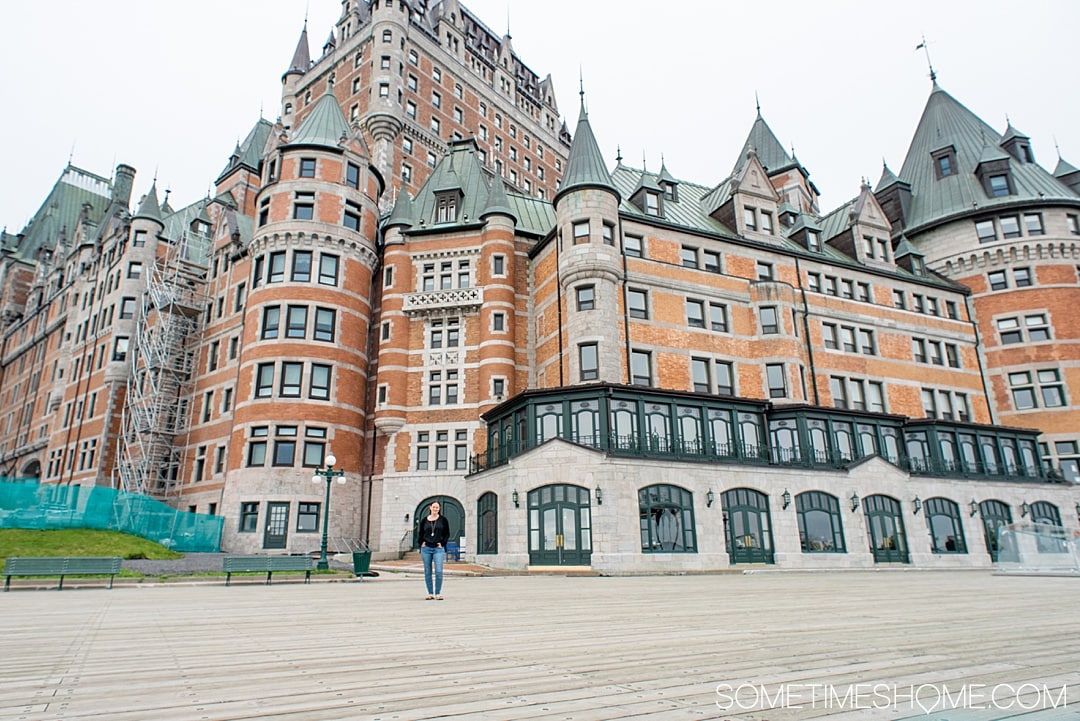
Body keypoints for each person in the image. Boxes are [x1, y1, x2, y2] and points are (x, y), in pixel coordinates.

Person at [419, 501, 450, 600]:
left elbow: (447, 533)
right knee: (427, 570)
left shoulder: (443, 520)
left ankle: (438, 592)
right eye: (434, 507)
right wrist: (421, 542)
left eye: (437, 507)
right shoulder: (424, 520)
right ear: (430, 508)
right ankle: (430, 593)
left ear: (439, 509)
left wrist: (443, 543)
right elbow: (420, 532)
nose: (435, 509)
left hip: (438, 548)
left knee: (439, 570)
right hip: (426, 548)